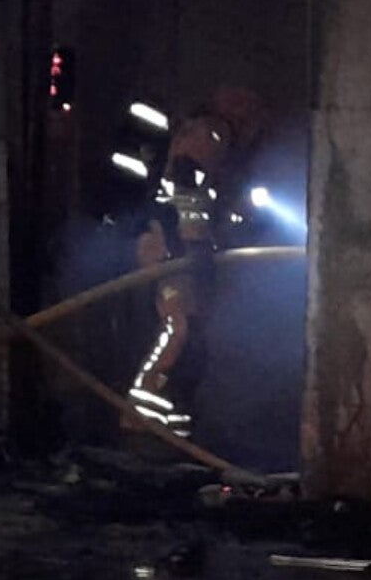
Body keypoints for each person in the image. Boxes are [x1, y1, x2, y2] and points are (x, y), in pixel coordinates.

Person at [114, 86, 265, 438]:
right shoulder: (210, 134)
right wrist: (195, 245)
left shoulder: (221, 148)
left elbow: (216, 202)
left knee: (192, 336)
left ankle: (174, 425)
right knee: (177, 329)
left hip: (185, 250)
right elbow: (187, 189)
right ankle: (138, 415)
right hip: (175, 251)